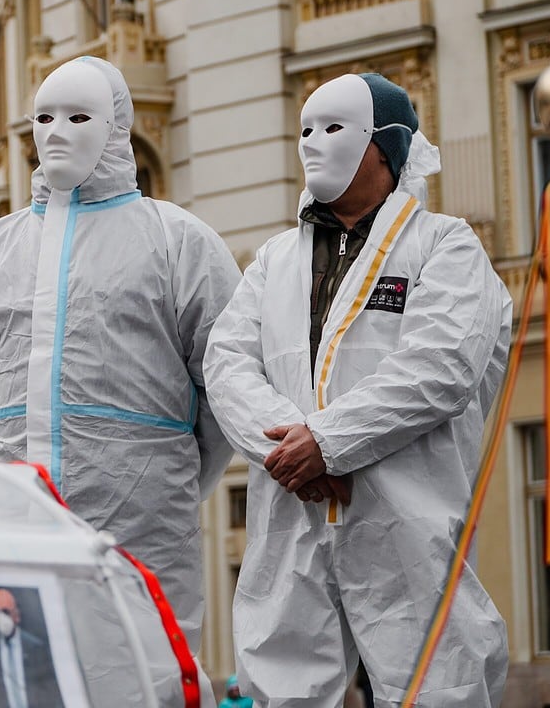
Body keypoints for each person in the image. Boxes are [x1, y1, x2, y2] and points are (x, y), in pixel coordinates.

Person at [203, 72, 510, 706]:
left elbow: (439, 368)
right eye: (305, 130)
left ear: (386, 148)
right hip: (292, 515)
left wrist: (328, 443)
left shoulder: (443, 246)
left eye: (334, 128)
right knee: (283, 685)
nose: (312, 143)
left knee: (437, 682)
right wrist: (290, 456)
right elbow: (227, 365)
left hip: (405, 520)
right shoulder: (273, 262)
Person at [0, 56, 240, 667]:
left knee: (141, 670)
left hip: (143, 524)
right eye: (44, 117)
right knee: (23, 672)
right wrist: (12, 458)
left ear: (117, 128)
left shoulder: (179, 241)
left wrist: (169, 476)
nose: (56, 132)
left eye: (79, 116)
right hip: (16, 520)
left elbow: (227, 388)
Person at [0, 588, 64, 708]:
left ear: (16, 614)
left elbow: (48, 689)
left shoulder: (36, 648)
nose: (1, 618)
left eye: (5, 612)